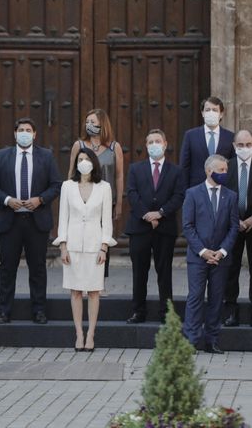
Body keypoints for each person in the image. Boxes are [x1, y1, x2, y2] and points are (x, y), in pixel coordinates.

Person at [0, 118, 62, 324]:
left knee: (38, 268)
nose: (24, 133)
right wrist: (7, 200)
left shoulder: (46, 156)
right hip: (9, 220)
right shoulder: (3, 156)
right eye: (20, 130)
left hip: (36, 220)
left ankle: (39, 310)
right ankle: (4, 310)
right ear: (14, 134)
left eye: (28, 130)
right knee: (7, 268)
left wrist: (40, 200)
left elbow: (56, 185)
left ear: (34, 134)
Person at [54, 148, 117, 352]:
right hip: (72, 246)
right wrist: (63, 246)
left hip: (94, 245)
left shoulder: (104, 187)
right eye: (80, 159)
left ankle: (91, 334)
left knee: (94, 292)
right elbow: (63, 217)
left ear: (94, 163)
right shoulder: (67, 186)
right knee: (75, 291)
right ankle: (78, 334)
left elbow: (106, 220)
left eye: (87, 159)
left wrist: (104, 247)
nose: (83, 162)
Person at [125, 129, 185, 323]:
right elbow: (132, 194)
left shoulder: (176, 171)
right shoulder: (135, 168)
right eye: (150, 142)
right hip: (139, 227)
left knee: (164, 271)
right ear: (146, 145)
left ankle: (166, 312)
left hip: (165, 227)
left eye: (158, 141)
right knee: (139, 272)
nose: (154, 145)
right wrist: (147, 215)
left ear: (165, 144)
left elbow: (178, 196)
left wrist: (160, 213)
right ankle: (138, 311)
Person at [182, 155, 239, 354]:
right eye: (221, 170)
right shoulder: (192, 193)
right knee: (195, 297)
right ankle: (191, 340)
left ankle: (212, 340)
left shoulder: (231, 196)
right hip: (198, 257)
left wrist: (222, 251)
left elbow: (233, 227)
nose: (225, 173)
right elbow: (188, 226)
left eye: (225, 170)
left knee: (216, 299)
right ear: (209, 170)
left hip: (220, 258)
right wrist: (204, 251)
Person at [68, 109, 123, 295]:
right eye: (87, 121)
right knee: (82, 239)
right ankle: (81, 282)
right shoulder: (79, 145)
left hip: (105, 201)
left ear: (102, 124)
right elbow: (71, 171)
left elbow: (119, 175)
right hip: (82, 199)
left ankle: (100, 281)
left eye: (92, 121)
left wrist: (120, 203)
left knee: (102, 240)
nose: (89, 125)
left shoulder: (114, 147)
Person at [222, 130, 252, 327]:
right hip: (232, 225)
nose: (244, 148)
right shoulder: (227, 167)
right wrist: (235, 220)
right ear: (234, 146)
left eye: (248, 144)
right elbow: (222, 196)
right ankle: (230, 310)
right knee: (231, 268)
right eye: (240, 145)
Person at [179, 97, 235, 189]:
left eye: (214, 110)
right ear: (202, 113)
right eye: (207, 110)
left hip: (223, 189)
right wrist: (185, 192)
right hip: (196, 189)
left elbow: (232, 166)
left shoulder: (230, 137)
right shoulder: (190, 136)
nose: (211, 113)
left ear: (221, 114)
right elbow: (184, 166)